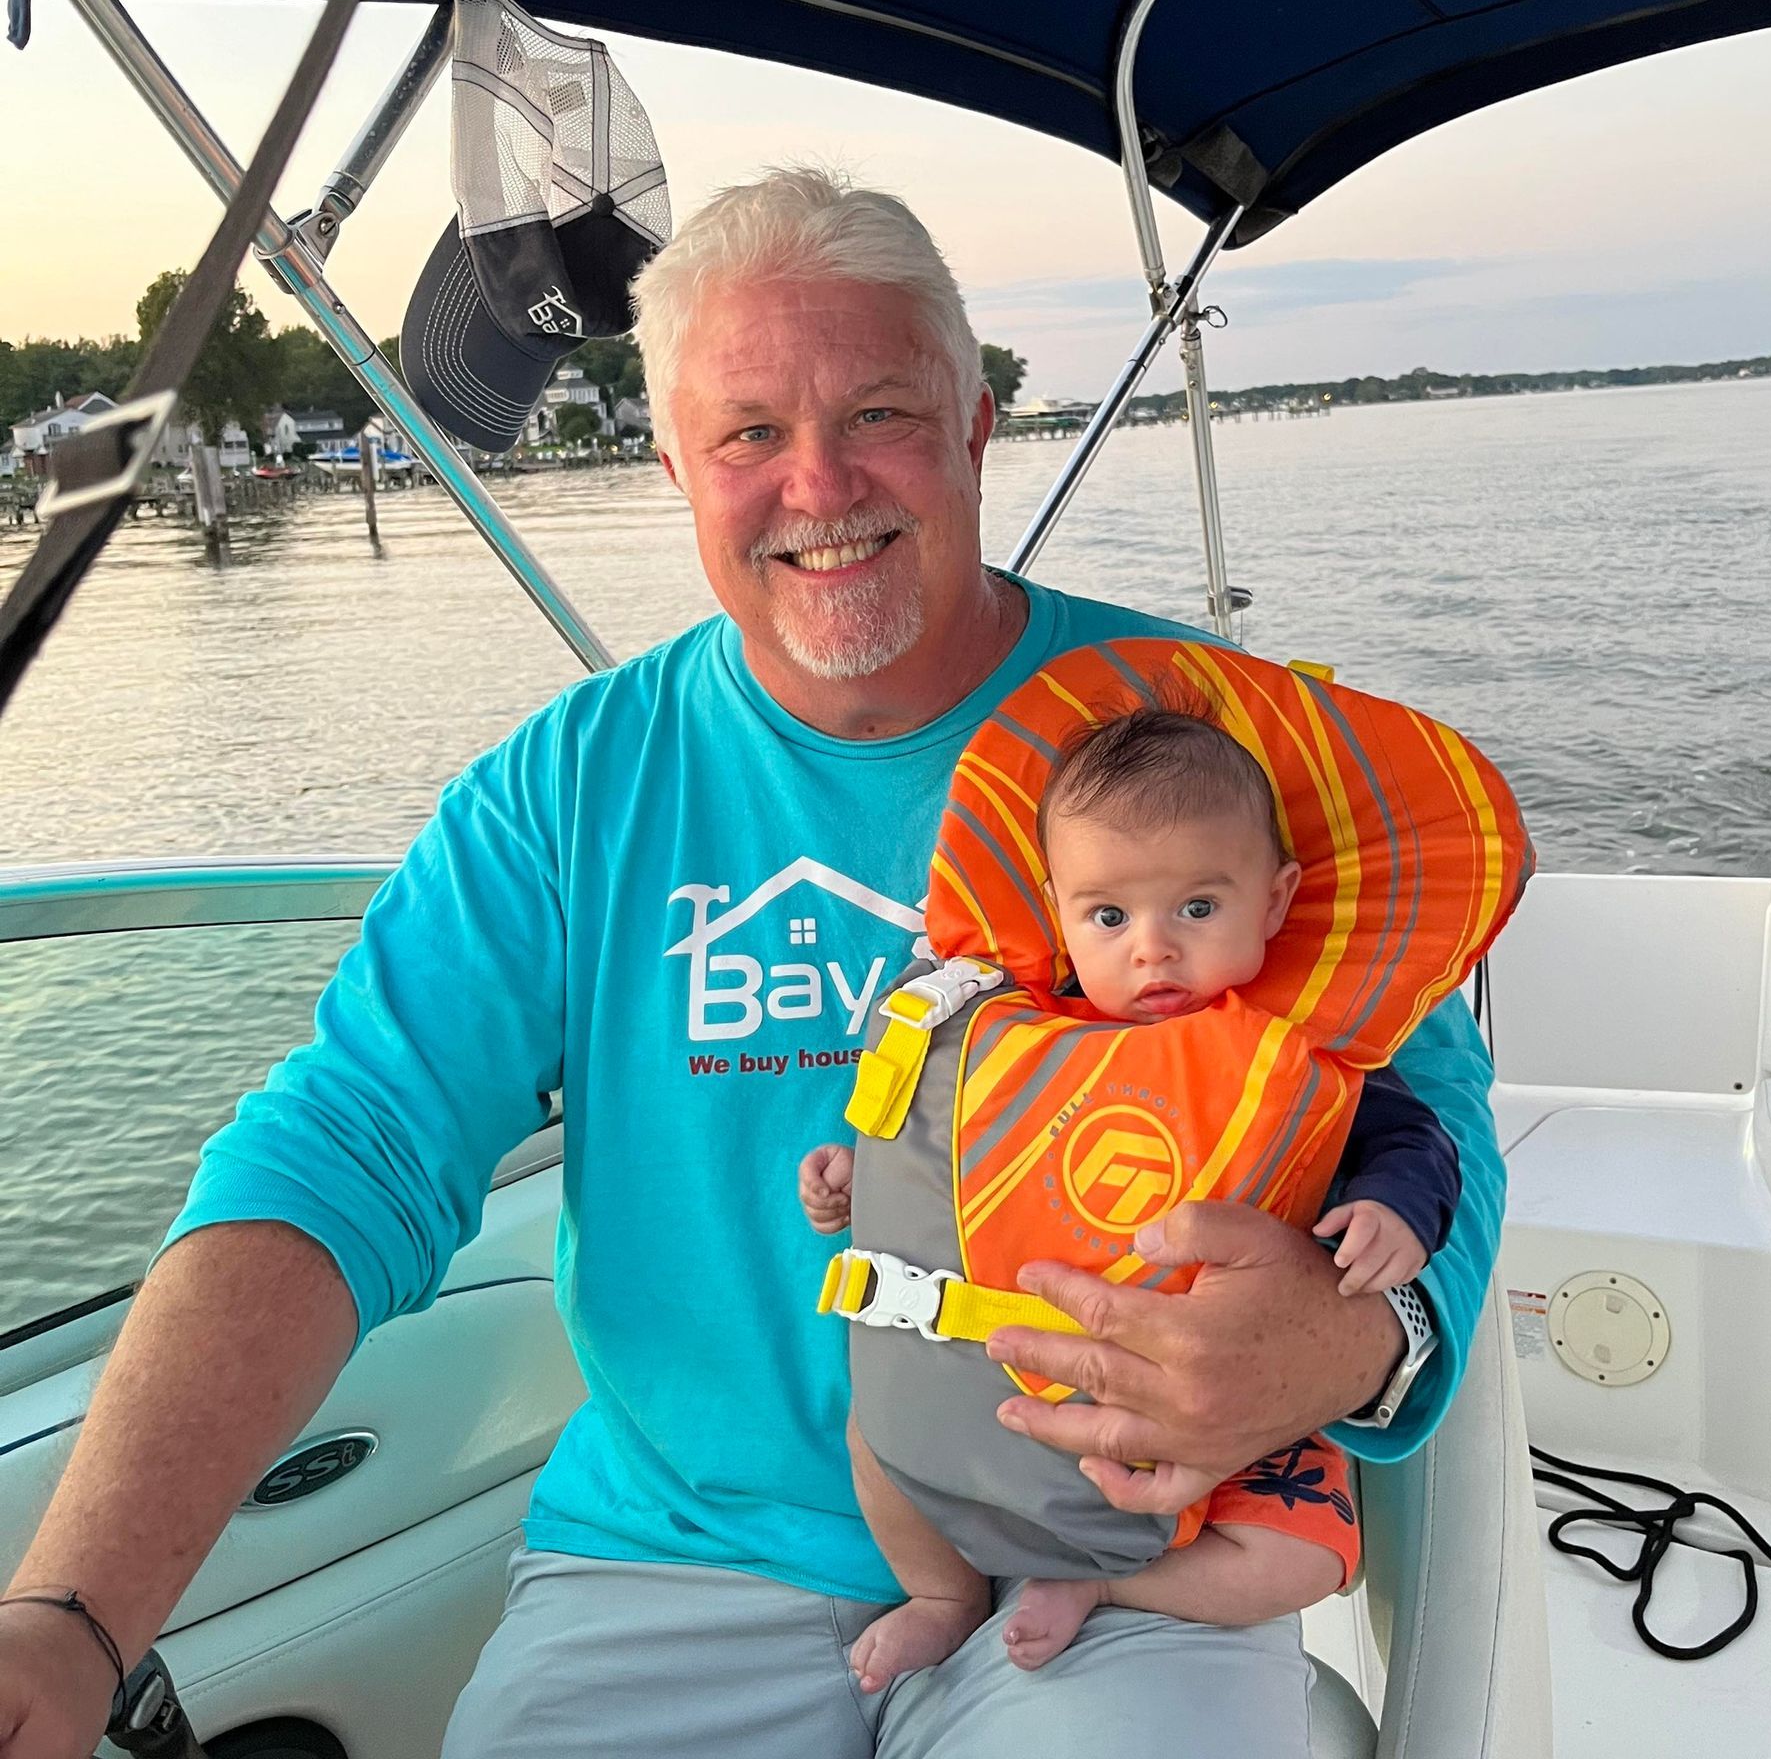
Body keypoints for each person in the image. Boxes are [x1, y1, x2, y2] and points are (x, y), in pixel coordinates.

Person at [0, 168, 1504, 1759]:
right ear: (672, 465)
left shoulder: (1204, 734)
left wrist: (1350, 1340)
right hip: (674, 1560)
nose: (821, 483)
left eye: (880, 414)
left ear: (978, 429)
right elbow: (344, 1154)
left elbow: (1432, 1099)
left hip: (1130, 1549)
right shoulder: (570, 790)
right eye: (749, 435)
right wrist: (75, 1613)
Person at [799, 702, 1462, 1687]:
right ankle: (941, 1594)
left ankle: (1109, 1587)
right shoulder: (1006, 1036)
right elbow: (941, 1159)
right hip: (994, 1387)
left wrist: (1398, 1207)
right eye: (1109, 917)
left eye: (1197, 908)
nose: (1151, 950)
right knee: (874, 1431)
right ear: (1058, 909)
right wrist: (858, 1180)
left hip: (1219, 1413)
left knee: (1307, 1558)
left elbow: (1412, 1139)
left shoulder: (1294, 1053)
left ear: (1275, 902)